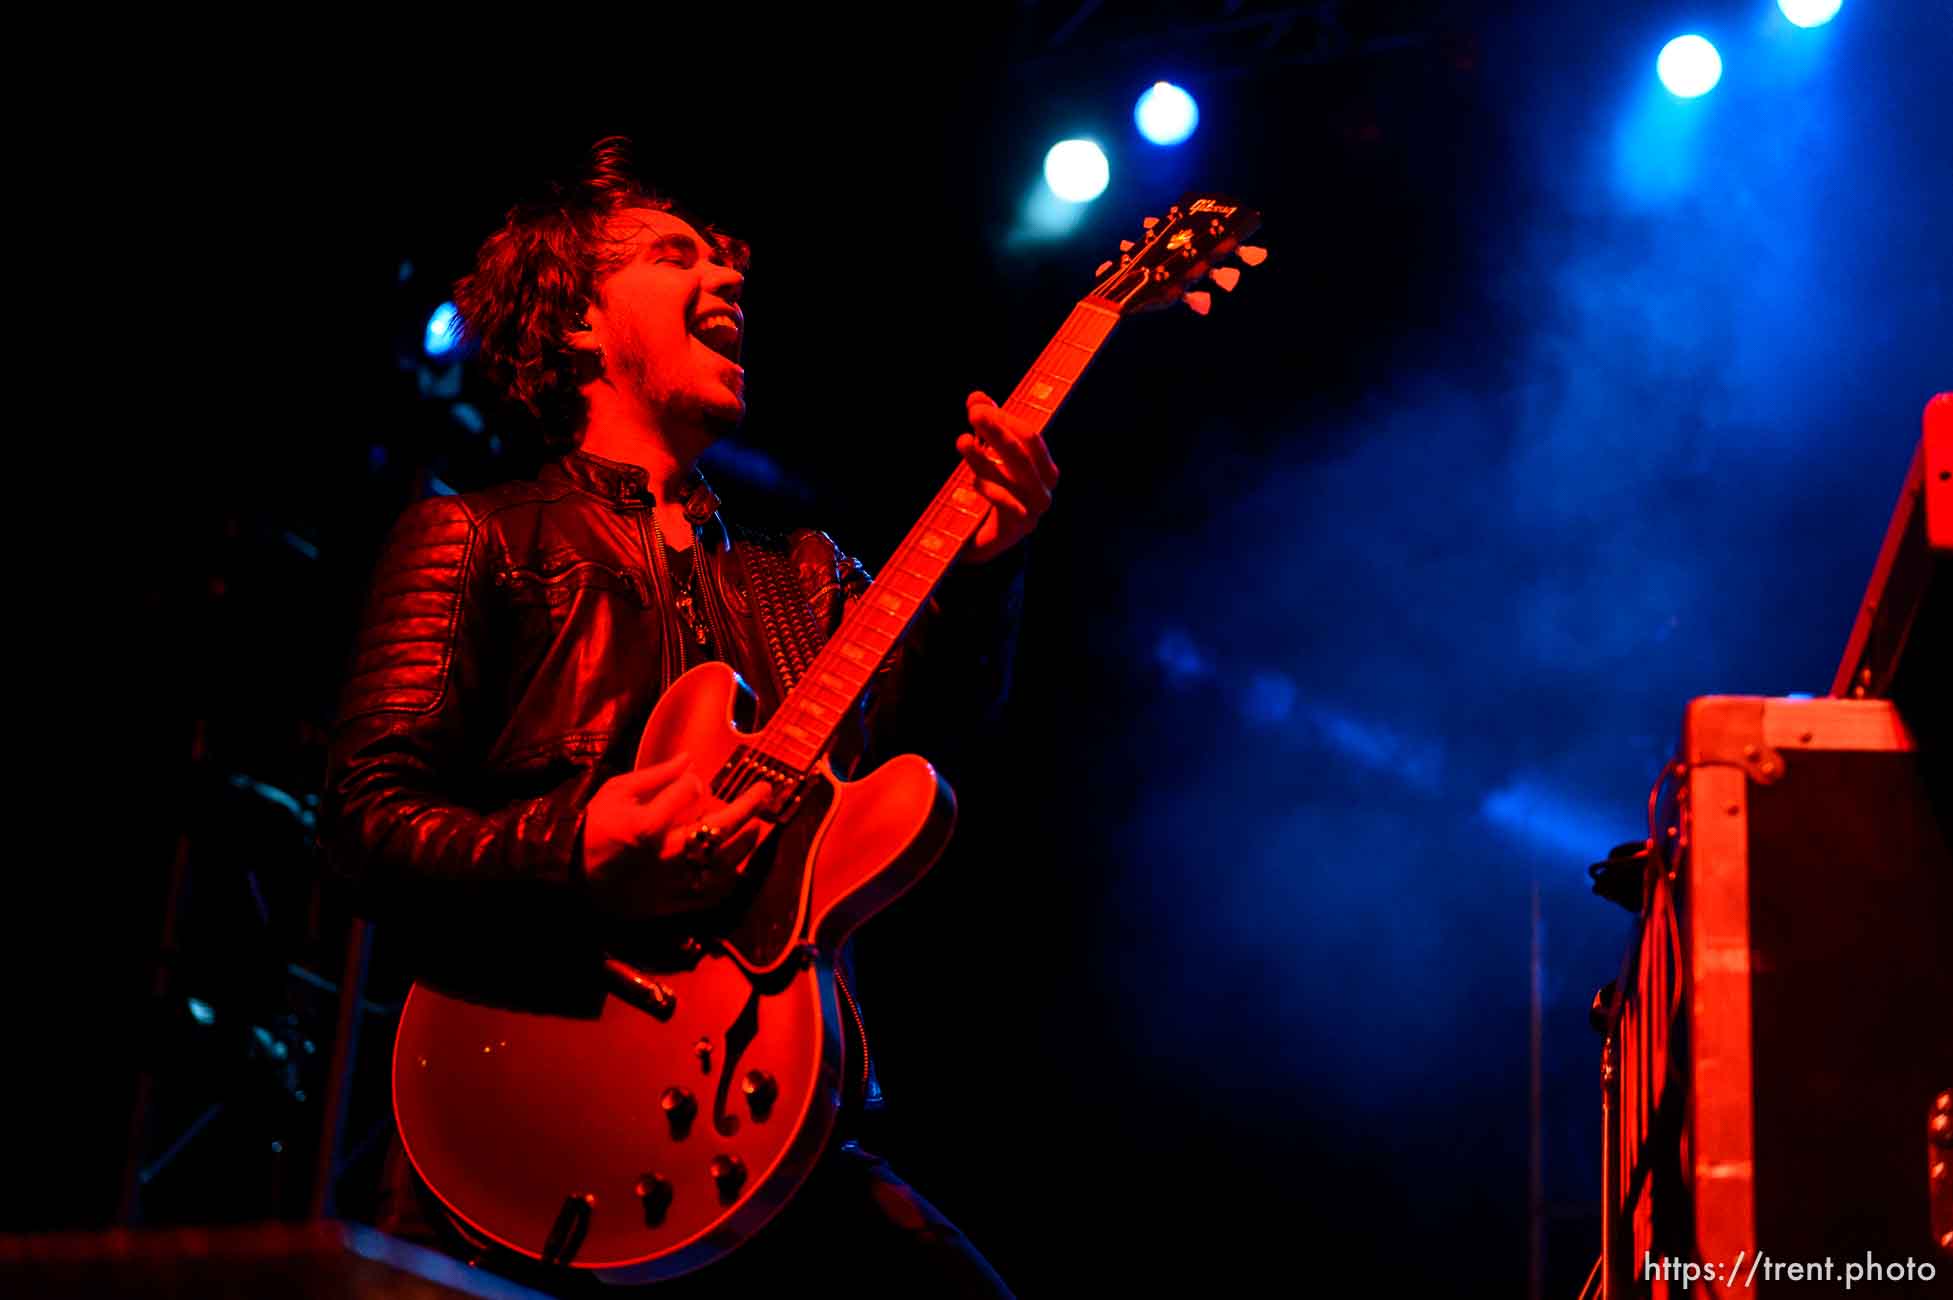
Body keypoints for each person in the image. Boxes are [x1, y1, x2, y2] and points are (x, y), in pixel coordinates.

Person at [317, 136, 1058, 1296]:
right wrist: (574, 844)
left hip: (771, 1125)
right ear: (576, 324)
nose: (730, 284)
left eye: (728, 268)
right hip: (530, 1115)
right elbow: (363, 820)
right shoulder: (481, 536)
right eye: (676, 257)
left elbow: (942, 734)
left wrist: (993, 566)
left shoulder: (807, 576)